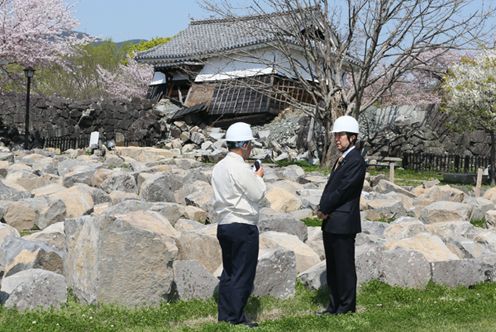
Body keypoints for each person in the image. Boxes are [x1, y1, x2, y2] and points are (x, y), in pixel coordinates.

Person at [211, 122, 266, 328]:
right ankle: (236, 318)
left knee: (229, 272)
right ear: (243, 145)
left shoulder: (219, 167)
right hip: (243, 225)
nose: (251, 148)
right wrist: (258, 177)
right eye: (250, 144)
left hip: (224, 224)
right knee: (243, 273)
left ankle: (225, 316)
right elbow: (258, 193)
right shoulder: (239, 167)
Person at [317, 115, 366, 315]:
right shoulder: (342, 159)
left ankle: (346, 307)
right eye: (336, 135)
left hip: (343, 220)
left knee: (344, 266)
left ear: (352, 137)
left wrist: (324, 208)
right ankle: (334, 305)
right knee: (333, 266)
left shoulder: (356, 161)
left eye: (341, 135)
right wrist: (323, 206)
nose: (337, 139)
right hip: (332, 220)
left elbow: (343, 190)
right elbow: (331, 188)